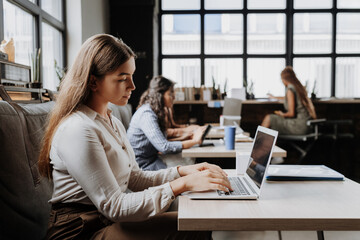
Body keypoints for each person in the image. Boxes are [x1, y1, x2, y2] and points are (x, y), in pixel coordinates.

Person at [38, 34, 232, 240]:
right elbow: (114, 206)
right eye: (123, 78)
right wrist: (183, 184)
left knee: (197, 223)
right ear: (93, 82)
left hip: (106, 220)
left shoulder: (111, 121)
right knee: (192, 229)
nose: (132, 86)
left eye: (131, 76)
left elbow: (135, 177)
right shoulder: (78, 129)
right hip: (81, 231)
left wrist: (183, 171)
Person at [127, 76, 206, 171]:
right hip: (143, 165)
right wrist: (195, 141)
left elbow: (163, 140)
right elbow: (164, 147)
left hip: (152, 159)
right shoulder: (147, 114)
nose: (174, 97)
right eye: (170, 93)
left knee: (190, 160)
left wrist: (188, 138)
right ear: (159, 95)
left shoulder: (154, 111)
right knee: (189, 164)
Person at [261, 66, 317, 135]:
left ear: (284, 79)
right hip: (307, 125)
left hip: (299, 126)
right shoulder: (298, 88)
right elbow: (287, 98)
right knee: (273, 125)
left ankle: (258, 144)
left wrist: (282, 114)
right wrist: (274, 97)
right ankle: (267, 145)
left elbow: (291, 114)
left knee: (269, 118)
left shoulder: (290, 89)